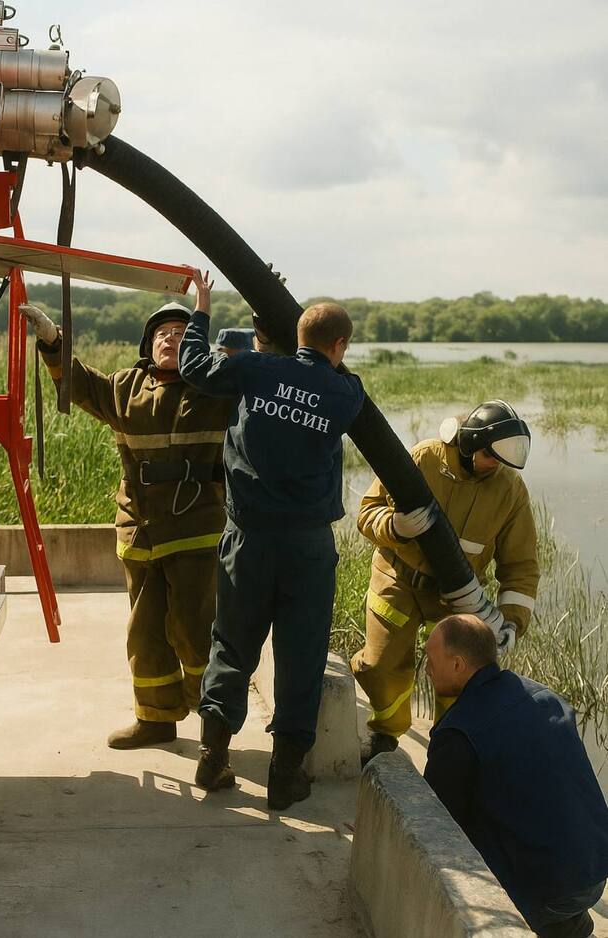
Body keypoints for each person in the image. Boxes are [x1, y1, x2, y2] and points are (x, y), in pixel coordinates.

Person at [179, 273, 364, 810]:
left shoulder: (255, 370)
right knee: (301, 656)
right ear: (340, 346)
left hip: (248, 541)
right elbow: (332, 379)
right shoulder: (344, 390)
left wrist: (203, 308)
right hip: (307, 547)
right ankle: (284, 778)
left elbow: (194, 366)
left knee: (231, 645)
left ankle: (212, 758)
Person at [19, 298, 234, 749]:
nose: (169, 339)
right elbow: (79, 385)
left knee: (196, 631)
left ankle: (212, 720)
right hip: (139, 530)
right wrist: (52, 342)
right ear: (147, 344)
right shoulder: (125, 388)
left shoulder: (217, 390)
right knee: (145, 632)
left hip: (196, 532)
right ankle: (155, 719)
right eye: (161, 334)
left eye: (179, 332)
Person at [351, 400, 540, 763]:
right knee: (382, 666)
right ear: (468, 443)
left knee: (461, 675)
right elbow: (366, 513)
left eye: (502, 460)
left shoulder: (509, 490)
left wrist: (512, 621)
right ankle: (386, 736)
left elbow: (521, 565)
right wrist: (395, 527)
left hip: (457, 597)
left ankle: (450, 748)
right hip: (398, 582)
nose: (495, 465)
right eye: (490, 456)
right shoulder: (424, 458)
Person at [424, 614, 608, 938]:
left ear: (457, 664)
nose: (426, 668)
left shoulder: (458, 732)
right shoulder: (544, 696)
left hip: (550, 891)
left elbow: (439, 829)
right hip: (596, 869)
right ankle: (572, 925)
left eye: (430, 659)